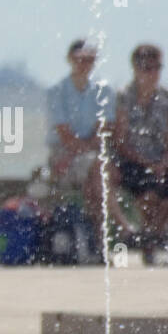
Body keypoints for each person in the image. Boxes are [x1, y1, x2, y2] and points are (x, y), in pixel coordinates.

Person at [44, 38, 114, 254]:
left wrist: (89, 149)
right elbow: (64, 135)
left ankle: (98, 241)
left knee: (96, 178)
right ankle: (108, 236)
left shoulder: (104, 90)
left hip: (92, 156)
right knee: (98, 176)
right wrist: (86, 150)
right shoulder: (57, 90)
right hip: (65, 153)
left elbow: (104, 129)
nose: (85, 64)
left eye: (90, 60)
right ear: (70, 60)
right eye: (80, 59)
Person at [112, 44, 168, 263]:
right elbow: (120, 141)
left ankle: (152, 237)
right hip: (134, 160)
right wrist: (146, 162)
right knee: (148, 196)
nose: (153, 73)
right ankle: (147, 239)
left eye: (157, 67)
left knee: (167, 201)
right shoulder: (124, 97)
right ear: (136, 69)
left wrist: (164, 162)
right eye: (148, 67)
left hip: (162, 161)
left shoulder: (167, 98)